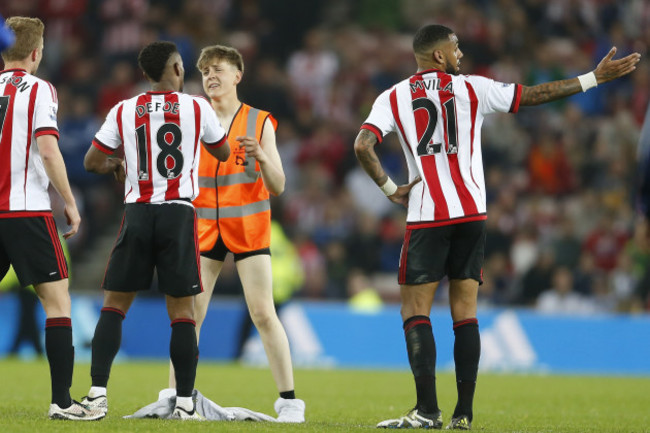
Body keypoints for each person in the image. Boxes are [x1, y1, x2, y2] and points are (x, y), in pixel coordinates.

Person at [354, 24, 640, 430]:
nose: (461, 54)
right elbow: (536, 95)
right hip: (472, 213)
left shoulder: (393, 97)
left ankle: (427, 412)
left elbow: (362, 145)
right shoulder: (473, 88)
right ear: (439, 56)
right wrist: (594, 77)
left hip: (427, 214)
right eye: (455, 48)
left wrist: (388, 188)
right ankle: (464, 415)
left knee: (415, 310)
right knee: (465, 312)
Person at [81, 40, 230, 420]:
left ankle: (97, 395)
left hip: (138, 212)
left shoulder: (124, 109)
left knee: (114, 306)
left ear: (145, 74)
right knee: (182, 312)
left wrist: (118, 164)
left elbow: (92, 160)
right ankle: (183, 403)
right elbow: (223, 152)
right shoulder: (198, 107)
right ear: (178, 70)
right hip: (178, 215)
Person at [166, 44, 305, 423]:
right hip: (205, 227)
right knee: (190, 314)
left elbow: (278, 185)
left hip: (248, 228)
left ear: (237, 76)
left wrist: (260, 156)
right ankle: (176, 396)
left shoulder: (259, 122)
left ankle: (290, 402)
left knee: (262, 312)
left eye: (219, 70)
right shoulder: (192, 118)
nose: (211, 76)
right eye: (206, 71)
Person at [0, 16, 103, 421]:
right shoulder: (40, 88)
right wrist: (69, 200)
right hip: (26, 210)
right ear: (37, 53)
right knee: (57, 303)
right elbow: (47, 149)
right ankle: (62, 402)